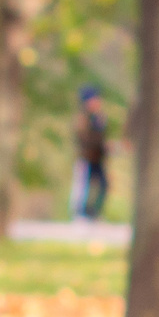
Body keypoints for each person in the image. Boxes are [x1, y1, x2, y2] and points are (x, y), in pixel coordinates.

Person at [72, 87, 109, 220]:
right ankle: (81, 214)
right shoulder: (82, 118)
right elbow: (84, 138)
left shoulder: (98, 117)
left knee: (103, 185)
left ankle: (93, 213)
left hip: (97, 157)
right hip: (86, 157)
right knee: (84, 185)